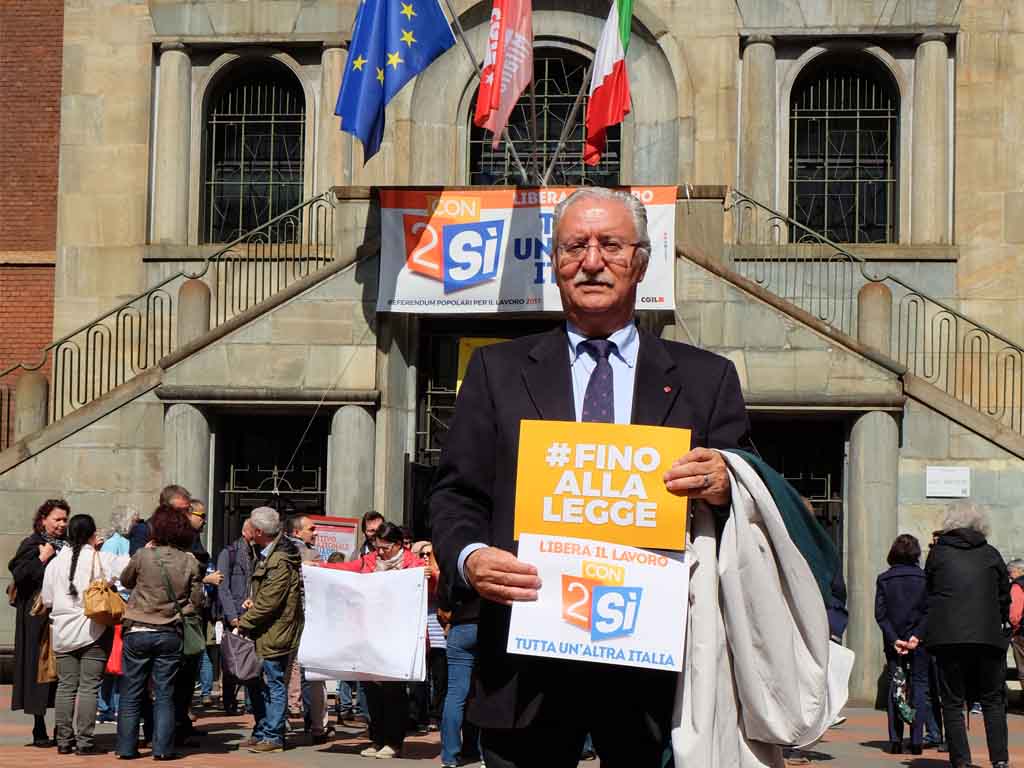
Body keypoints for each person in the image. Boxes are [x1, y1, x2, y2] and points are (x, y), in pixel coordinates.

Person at [429, 187, 751, 766]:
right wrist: (471, 557)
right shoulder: (495, 371)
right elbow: (456, 494)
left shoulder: (708, 380)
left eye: (611, 244)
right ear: (554, 264)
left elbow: (757, 503)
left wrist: (730, 484)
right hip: (527, 670)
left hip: (656, 677)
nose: (593, 260)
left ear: (642, 262)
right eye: (575, 245)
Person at [322, 521, 427, 759]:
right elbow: (346, 568)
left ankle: (394, 741)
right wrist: (318, 567)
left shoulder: (415, 564)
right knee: (371, 691)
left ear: (399, 544)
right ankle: (377, 738)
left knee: (393, 691)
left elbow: (430, 593)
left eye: (384, 547)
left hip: (399, 635)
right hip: (369, 634)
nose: (379, 552)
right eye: (376, 546)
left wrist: (429, 577)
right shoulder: (369, 561)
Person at [923, 503, 1010, 768]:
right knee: (993, 700)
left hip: (948, 637)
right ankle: (1000, 761)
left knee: (952, 702)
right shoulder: (991, 554)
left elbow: (928, 592)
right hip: (988, 637)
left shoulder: (938, 555)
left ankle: (961, 761)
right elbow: (1004, 597)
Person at [116, 503, 205, 761]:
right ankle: (163, 749)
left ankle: (126, 747)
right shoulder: (189, 561)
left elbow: (126, 580)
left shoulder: (143, 555)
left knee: (132, 691)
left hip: (138, 629)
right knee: (165, 693)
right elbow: (197, 600)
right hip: (169, 631)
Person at [41, 513, 129, 755]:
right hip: (94, 631)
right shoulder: (101, 558)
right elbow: (129, 570)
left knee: (66, 686)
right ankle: (84, 742)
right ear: (93, 534)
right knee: (89, 687)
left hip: (62, 632)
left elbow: (47, 599)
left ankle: (63, 741)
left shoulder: (55, 563)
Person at [237, 506, 305, 754]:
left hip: (276, 631)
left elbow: (271, 601)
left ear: (258, 531)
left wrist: (244, 622)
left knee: (273, 683)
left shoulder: (279, 558)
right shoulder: (270, 553)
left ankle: (274, 736)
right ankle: (263, 730)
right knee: (257, 683)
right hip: (266, 629)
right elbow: (266, 597)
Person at [8, 498, 70, 747]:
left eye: (65, 519)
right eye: (57, 519)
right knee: (38, 672)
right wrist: (42, 559)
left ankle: (62, 727)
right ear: (43, 520)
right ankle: (39, 726)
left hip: (62, 617)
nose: (62, 524)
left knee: (63, 674)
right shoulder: (33, 544)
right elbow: (20, 575)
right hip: (37, 621)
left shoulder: (67, 546)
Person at [875, 534, 929, 755]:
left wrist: (894, 638)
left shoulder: (884, 579)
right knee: (919, 686)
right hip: (918, 641)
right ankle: (916, 740)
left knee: (895, 686)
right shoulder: (925, 578)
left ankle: (896, 740)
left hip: (894, 640)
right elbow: (929, 610)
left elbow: (881, 614)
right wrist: (916, 635)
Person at [173, 499, 221, 746]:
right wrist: (206, 578)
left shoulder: (195, 539)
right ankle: (178, 724)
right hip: (183, 615)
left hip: (196, 613)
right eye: (200, 515)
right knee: (184, 669)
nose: (204, 520)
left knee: (191, 668)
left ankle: (185, 721)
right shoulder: (183, 540)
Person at [285, 514, 333, 744]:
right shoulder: (309, 554)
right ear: (297, 532)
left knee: (282, 670)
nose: (315, 533)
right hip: (309, 620)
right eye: (311, 529)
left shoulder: (277, 552)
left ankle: (279, 723)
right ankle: (317, 726)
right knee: (315, 672)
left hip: (284, 622)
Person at [98, 505, 139, 724]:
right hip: (119, 604)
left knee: (117, 658)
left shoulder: (125, 542)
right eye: (135, 519)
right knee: (114, 658)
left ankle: (110, 706)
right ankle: (107, 706)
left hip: (127, 602)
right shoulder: (114, 543)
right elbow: (107, 574)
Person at [437, 570, 481, 768]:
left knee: (456, 694)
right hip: (490, 626)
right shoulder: (493, 562)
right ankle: (484, 754)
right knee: (487, 692)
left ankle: (450, 756)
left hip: (460, 627)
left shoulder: (452, 565)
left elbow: (442, 608)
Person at [217, 518, 256, 715]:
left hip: (252, 615)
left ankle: (251, 702)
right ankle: (229, 701)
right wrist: (232, 615)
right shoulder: (229, 553)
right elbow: (222, 587)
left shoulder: (256, 554)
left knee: (251, 658)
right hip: (235, 615)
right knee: (232, 659)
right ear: (247, 531)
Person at [129, 485, 191, 555]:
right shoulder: (144, 529)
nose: (185, 514)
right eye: (178, 510)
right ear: (165, 509)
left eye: (187, 509)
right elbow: (134, 562)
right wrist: (144, 554)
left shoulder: (187, 530)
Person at [1008, 558, 1024, 690]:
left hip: (1022, 633)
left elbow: (1014, 615)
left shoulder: (1017, 586)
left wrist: (1014, 631)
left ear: (1019, 570)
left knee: (1023, 669)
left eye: (1011, 572)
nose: (1009, 575)